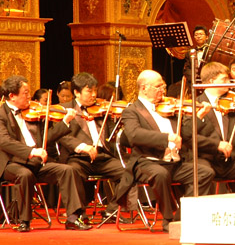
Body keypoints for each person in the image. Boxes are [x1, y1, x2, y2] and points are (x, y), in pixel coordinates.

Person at [116, 70, 215, 231]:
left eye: (163, 85)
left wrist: (198, 116)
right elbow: (134, 135)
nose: (162, 89)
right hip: (146, 162)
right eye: (158, 86)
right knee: (160, 174)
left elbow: (187, 134)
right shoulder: (132, 111)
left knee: (204, 172)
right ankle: (168, 219)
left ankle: (182, 217)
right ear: (144, 88)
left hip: (173, 163)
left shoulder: (170, 108)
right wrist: (166, 137)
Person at [0, 75, 91, 231]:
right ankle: (24, 220)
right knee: (25, 174)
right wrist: (31, 151)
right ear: (12, 96)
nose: (29, 96)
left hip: (35, 162)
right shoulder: (1, 114)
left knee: (67, 170)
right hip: (11, 163)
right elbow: (5, 141)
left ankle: (73, 218)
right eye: (25, 93)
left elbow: (47, 138)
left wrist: (65, 122)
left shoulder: (33, 112)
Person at [57, 72, 125, 221]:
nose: (94, 95)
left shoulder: (101, 108)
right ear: (76, 92)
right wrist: (82, 146)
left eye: (95, 90)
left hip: (102, 156)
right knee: (72, 171)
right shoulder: (63, 109)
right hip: (78, 157)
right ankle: (79, 213)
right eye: (89, 91)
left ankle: (112, 210)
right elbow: (62, 136)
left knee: (128, 172)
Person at [192, 62, 235, 192]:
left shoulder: (232, 103)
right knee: (203, 172)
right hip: (207, 159)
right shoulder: (196, 104)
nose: (229, 82)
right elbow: (190, 136)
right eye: (224, 79)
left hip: (231, 161)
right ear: (211, 81)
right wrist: (217, 144)